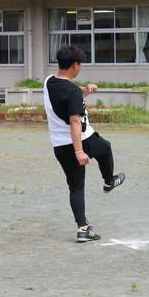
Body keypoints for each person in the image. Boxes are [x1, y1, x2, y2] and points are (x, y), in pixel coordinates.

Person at [43, 45, 126, 243]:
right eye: (80, 64)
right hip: (80, 141)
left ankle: (83, 229)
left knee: (76, 187)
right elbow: (74, 121)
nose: (80, 68)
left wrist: (84, 92)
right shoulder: (72, 92)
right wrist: (79, 151)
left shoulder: (49, 82)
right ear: (74, 65)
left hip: (59, 146)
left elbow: (67, 95)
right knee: (105, 148)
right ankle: (109, 181)